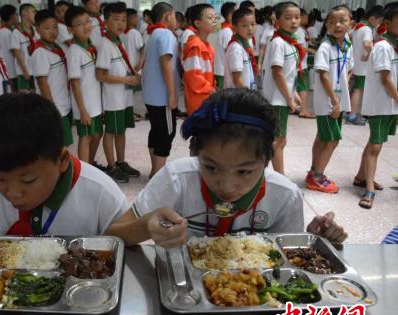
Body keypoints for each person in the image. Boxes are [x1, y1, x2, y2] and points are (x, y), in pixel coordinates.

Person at [105, 88, 347, 248]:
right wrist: (145, 226)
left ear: (267, 158)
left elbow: (288, 253)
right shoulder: (177, 179)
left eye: (244, 171)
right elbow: (112, 236)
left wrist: (317, 241)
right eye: (211, 167)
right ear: (195, 154)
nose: (227, 186)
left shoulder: (284, 195)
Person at [0, 94, 129, 255]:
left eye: (28, 180)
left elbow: (129, 254)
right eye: (0, 178)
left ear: (62, 160)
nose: (13, 194)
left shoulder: (101, 192)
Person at [355, 6, 398, 209]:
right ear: (386, 24)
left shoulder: (394, 45)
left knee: (374, 142)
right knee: (376, 146)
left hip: (389, 105)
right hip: (382, 104)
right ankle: (369, 189)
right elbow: (385, 78)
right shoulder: (383, 46)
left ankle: (361, 177)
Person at [306, 5, 353, 194]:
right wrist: (335, 101)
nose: (337, 25)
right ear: (326, 25)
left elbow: (348, 69)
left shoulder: (346, 44)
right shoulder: (326, 47)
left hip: (337, 99)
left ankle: (313, 172)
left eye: (342, 21)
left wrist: (342, 90)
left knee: (323, 137)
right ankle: (317, 177)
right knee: (332, 140)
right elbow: (324, 76)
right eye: (332, 22)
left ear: (351, 23)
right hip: (328, 102)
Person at [96, 2, 140, 184]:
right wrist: (125, 80)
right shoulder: (105, 44)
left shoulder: (118, 41)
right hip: (113, 98)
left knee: (121, 131)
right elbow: (100, 75)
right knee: (111, 132)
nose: (121, 23)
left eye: (123, 19)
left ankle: (121, 161)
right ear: (105, 21)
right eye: (116, 19)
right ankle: (111, 165)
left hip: (124, 96)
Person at [262, 1, 304, 175]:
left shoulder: (290, 42)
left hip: (282, 98)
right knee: (278, 140)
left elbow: (287, 74)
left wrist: (293, 93)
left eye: (297, 17)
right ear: (277, 21)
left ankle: (274, 175)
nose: (294, 21)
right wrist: (288, 99)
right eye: (288, 18)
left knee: (279, 139)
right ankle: (278, 177)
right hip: (277, 100)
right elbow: (277, 73)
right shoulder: (279, 42)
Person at [142, 2, 179, 179]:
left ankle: (154, 170)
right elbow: (166, 64)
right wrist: (172, 94)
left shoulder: (153, 33)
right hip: (161, 96)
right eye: (174, 16)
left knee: (156, 130)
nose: (176, 20)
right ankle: (158, 175)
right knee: (167, 133)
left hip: (150, 94)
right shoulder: (165, 34)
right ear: (167, 17)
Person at [66, 6, 103, 164]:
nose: (86, 26)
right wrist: (82, 111)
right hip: (85, 104)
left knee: (97, 134)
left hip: (95, 101)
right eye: (80, 24)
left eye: (88, 21)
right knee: (86, 137)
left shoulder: (90, 46)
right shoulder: (74, 51)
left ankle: (90, 164)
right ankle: (84, 171)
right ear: (70, 29)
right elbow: (74, 82)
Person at [31, 9, 73, 147]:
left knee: (62, 144)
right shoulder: (40, 53)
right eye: (47, 28)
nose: (53, 31)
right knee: (59, 145)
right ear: (37, 29)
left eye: (55, 27)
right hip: (54, 108)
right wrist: (51, 108)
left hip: (63, 104)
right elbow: (42, 83)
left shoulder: (57, 48)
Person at [348, 5, 384, 126]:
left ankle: (349, 111)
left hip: (355, 63)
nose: (378, 24)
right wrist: (368, 54)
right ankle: (352, 115)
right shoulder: (367, 29)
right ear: (373, 18)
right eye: (378, 21)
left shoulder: (358, 26)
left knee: (354, 88)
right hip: (363, 66)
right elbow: (367, 44)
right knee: (358, 89)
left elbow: (349, 36)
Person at [182, 3, 216, 114]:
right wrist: (211, 89)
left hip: (206, 99)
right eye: (210, 18)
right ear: (197, 23)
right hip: (198, 101)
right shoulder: (195, 46)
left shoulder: (207, 46)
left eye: (215, 18)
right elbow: (193, 77)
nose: (214, 21)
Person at [224, 7, 257, 89]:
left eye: (252, 24)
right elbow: (237, 79)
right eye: (244, 25)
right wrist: (249, 96)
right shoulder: (236, 48)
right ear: (234, 28)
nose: (250, 28)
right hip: (239, 97)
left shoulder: (244, 44)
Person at [121, 8, 145, 120]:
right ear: (130, 19)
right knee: (130, 93)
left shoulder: (123, 33)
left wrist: (140, 63)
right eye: (135, 18)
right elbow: (142, 49)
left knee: (129, 92)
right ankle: (130, 114)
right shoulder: (134, 33)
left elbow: (141, 49)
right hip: (132, 68)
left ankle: (130, 113)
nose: (137, 20)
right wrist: (140, 63)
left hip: (128, 68)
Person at [10, 3, 38, 92]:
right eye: (33, 12)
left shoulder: (35, 30)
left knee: (35, 96)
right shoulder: (16, 32)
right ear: (24, 13)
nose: (35, 14)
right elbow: (16, 53)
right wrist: (25, 70)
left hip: (36, 69)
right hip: (24, 72)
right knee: (24, 96)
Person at [295, 8, 315, 119]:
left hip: (299, 64)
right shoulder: (299, 31)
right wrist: (311, 50)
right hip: (301, 64)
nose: (307, 19)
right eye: (306, 17)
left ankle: (297, 107)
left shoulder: (300, 30)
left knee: (299, 87)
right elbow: (299, 47)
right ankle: (303, 110)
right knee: (304, 87)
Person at [212, 2, 236, 89]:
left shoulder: (225, 29)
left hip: (222, 70)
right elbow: (229, 52)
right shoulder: (227, 32)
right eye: (237, 12)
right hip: (222, 71)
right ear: (230, 16)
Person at [0, 4, 18, 92]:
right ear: (12, 16)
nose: (17, 17)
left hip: (4, 71)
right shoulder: (9, 33)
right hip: (12, 71)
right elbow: (15, 52)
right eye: (16, 14)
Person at [257, 6, 275, 75]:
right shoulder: (267, 30)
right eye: (272, 14)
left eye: (275, 14)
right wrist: (259, 64)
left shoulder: (285, 32)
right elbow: (262, 48)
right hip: (267, 65)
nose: (273, 16)